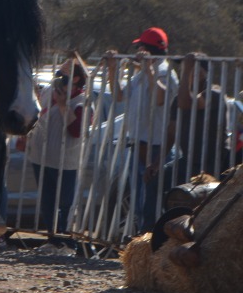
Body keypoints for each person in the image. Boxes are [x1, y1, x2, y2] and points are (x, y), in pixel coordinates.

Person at [104, 26, 177, 231]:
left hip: (157, 148)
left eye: (142, 48)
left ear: (151, 49)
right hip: (138, 144)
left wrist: (150, 70)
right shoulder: (139, 74)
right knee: (138, 201)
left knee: (152, 203)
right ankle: (142, 242)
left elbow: (161, 98)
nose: (138, 52)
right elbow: (119, 95)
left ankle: (151, 244)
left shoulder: (166, 72)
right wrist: (112, 69)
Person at [26, 56, 88, 252]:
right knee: (47, 200)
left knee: (66, 203)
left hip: (65, 160)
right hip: (42, 156)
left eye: (67, 70)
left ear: (76, 78)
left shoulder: (82, 101)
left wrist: (62, 105)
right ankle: (53, 240)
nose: (61, 71)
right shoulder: (47, 92)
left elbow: (76, 131)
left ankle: (68, 242)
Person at [169, 52, 229, 182]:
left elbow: (186, 102)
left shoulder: (214, 93)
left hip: (210, 162)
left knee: (200, 197)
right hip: (187, 160)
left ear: (201, 71)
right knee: (157, 180)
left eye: (188, 67)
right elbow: (171, 132)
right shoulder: (178, 98)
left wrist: (186, 74)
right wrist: (157, 164)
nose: (183, 70)